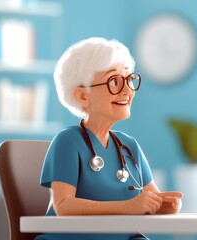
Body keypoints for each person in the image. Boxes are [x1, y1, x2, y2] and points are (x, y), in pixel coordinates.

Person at [36, 37, 183, 240]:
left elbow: (151, 200)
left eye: (129, 79)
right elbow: (63, 206)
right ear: (82, 96)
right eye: (114, 81)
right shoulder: (68, 141)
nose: (127, 90)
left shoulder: (129, 146)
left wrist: (164, 204)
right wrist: (128, 207)